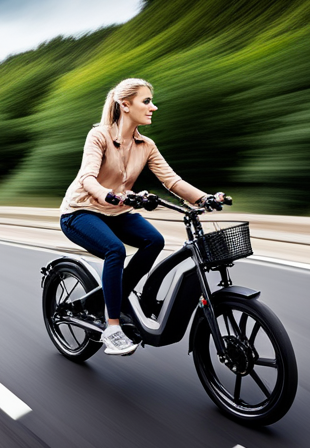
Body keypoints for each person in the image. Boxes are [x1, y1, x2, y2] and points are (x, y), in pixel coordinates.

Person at [59, 78, 222, 356]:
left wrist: (204, 198)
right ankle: (112, 328)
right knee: (115, 250)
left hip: (117, 211)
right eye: (146, 101)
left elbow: (173, 181)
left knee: (153, 241)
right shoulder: (99, 136)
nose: (153, 107)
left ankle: (118, 297)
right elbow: (87, 177)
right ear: (125, 105)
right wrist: (106, 194)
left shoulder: (146, 145)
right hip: (81, 211)